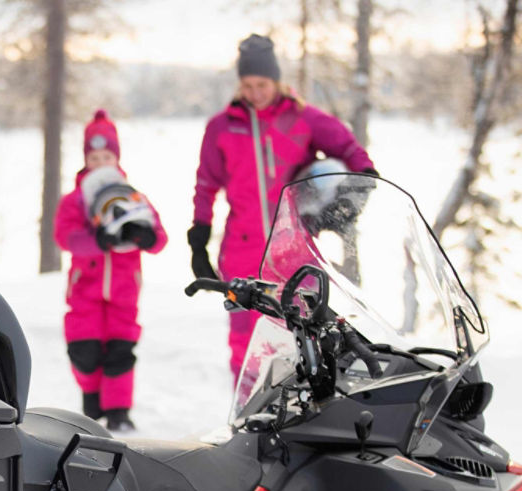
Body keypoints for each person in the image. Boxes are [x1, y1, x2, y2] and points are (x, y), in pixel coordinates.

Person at [189, 33, 376, 380]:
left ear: (276, 80)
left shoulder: (304, 119)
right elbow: (205, 184)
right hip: (242, 253)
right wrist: (198, 238)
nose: (255, 93)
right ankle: (248, 410)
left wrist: (357, 189)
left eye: (262, 84)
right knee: (247, 347)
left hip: (295, 251)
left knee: (303, 340)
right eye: (247, 85)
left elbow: (353, 153)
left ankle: (304, 409)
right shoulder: (222, 128)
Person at [53, 109, 168, 434]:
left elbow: (160, 238)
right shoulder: (75, 200)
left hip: (123, 291)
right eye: (94, 158)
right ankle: (92, 399)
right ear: (85, 161)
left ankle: (119, 412)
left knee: (120, 350)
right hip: (85, 290)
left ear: (116, 159)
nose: (101, 163)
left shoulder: (133, 196)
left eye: (107, 157)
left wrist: (147, 237)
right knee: (84, 350)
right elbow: (65, 237)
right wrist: (96, 239)